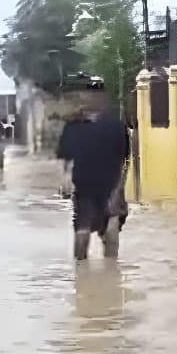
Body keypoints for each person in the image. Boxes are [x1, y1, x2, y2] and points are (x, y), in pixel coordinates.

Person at [63, 105, 129, 260]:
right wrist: (120, 186)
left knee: (84, 224)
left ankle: (80, 269)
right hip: (110, 182)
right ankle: (111, 269)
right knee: (111, 221)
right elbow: (125, 160)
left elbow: (67, 159)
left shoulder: (74, 128)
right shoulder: (117, 126)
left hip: (85, 182)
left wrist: (66, 182)